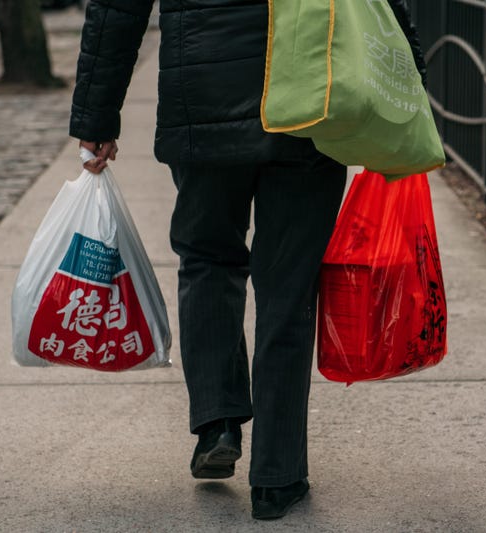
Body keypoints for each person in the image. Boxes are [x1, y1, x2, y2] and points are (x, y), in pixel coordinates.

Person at [70, 0, 426, 520]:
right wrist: (410, 75)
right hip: (310, 94)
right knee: (289, 289)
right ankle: (278, 478)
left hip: (202, 97)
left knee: (207, 259)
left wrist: (96, 116)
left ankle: (217, 422)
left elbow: (116, 8)